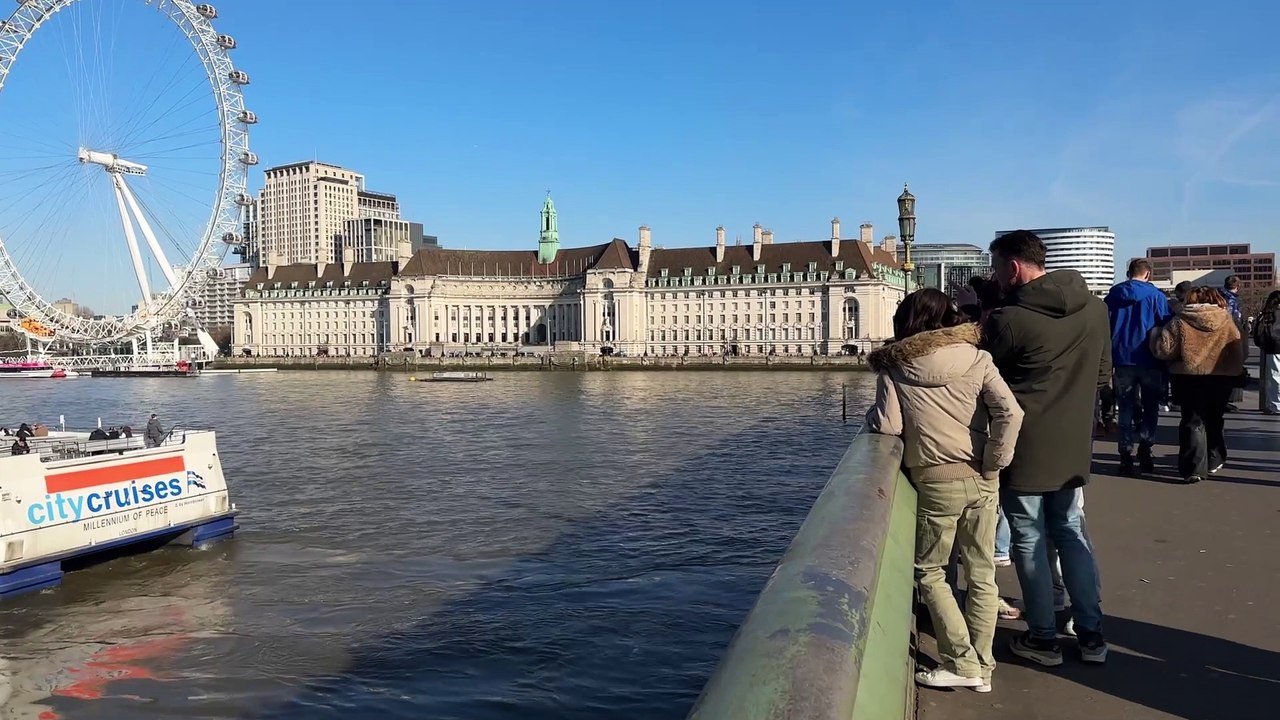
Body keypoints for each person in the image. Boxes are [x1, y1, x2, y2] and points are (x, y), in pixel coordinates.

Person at [867, 288, 1024, 693]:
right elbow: (1011, 411)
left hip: (936, 478)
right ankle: (984, 666)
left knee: (930, 571)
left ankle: (960, 660)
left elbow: (888, 426)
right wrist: (995, 461)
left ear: (906, 322)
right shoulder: (978, 357)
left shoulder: (896, 366)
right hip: (983, 477)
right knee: (982, 572)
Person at [982, 229, 1110, 667]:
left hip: (1026, 445)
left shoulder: (1009, 319)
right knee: (1071, 532)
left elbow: (986, 384)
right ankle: (1092, 635)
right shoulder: (1095, 309)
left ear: (1014, 267)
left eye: (996, 268)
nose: (994, 276)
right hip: (1074, 444)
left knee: (1028, 538)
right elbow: (1101, 376)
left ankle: (1042, 639)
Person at [1151, 287, 1246, 482]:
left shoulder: (1180, 321)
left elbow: (1164, 350)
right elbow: (1242, 349)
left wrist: (1155, 337)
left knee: (1193, 421)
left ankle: (1193, 467)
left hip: (1189, 377)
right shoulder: (1228, 320)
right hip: (1222, 377)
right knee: (1215, 417)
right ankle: (1215, 458)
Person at [1103, 259, 1172, 475]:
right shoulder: (1156, 296)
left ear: (1128, 273)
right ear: (1148, 274)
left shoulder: (1113, 295)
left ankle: (1125, 452)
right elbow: (1166, 325)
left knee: (1125, 406)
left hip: (1122, 357)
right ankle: (1145, 447)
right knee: (1150, 407)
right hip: (1150, 358)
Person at [1252, 290, 1280, 415]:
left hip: (1272, 349)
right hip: (1274, 347)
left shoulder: (1266, 315)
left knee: (1274, 377)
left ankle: (1275, 405)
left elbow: (1258, 332)